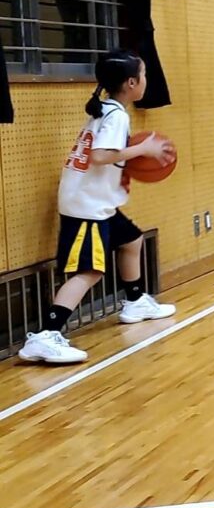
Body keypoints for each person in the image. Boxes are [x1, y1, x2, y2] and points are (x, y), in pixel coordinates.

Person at [19, 51, 177, 365]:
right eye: (144, 75)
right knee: (88, 272)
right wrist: (142, 149)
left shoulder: (105, 108)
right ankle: (46, 335)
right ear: (131, 83)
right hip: (86, 207)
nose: (146, 81)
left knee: (131, 239)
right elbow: (100, 155)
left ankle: (135, 301)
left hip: (95, 201)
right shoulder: (116, 116)